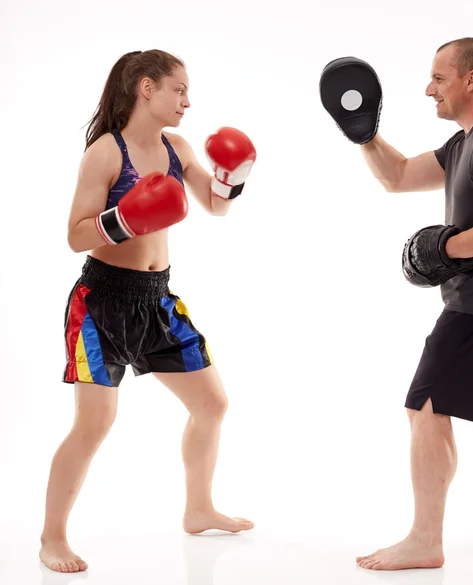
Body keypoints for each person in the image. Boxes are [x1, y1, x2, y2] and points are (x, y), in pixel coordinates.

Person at [320, 38, 473, 571]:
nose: (429, 88)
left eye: (439, 77)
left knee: (425, 409)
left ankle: (424, 540)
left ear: (471, 79)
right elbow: (398, 177)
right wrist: (364, 134)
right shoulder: (466, 142)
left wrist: (447, 249)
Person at [40, 49, 257, 574]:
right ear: (145, 88)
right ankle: (52, 538)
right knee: (95, 423)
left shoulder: (178, 148)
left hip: (157, 300)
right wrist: (125, 218)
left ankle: (198, 507)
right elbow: (74, 235)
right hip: (100, 304)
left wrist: (234, 172)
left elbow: (217, 204)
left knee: (212, 403)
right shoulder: (106, 154)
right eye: (179, 89)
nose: (188, 100)